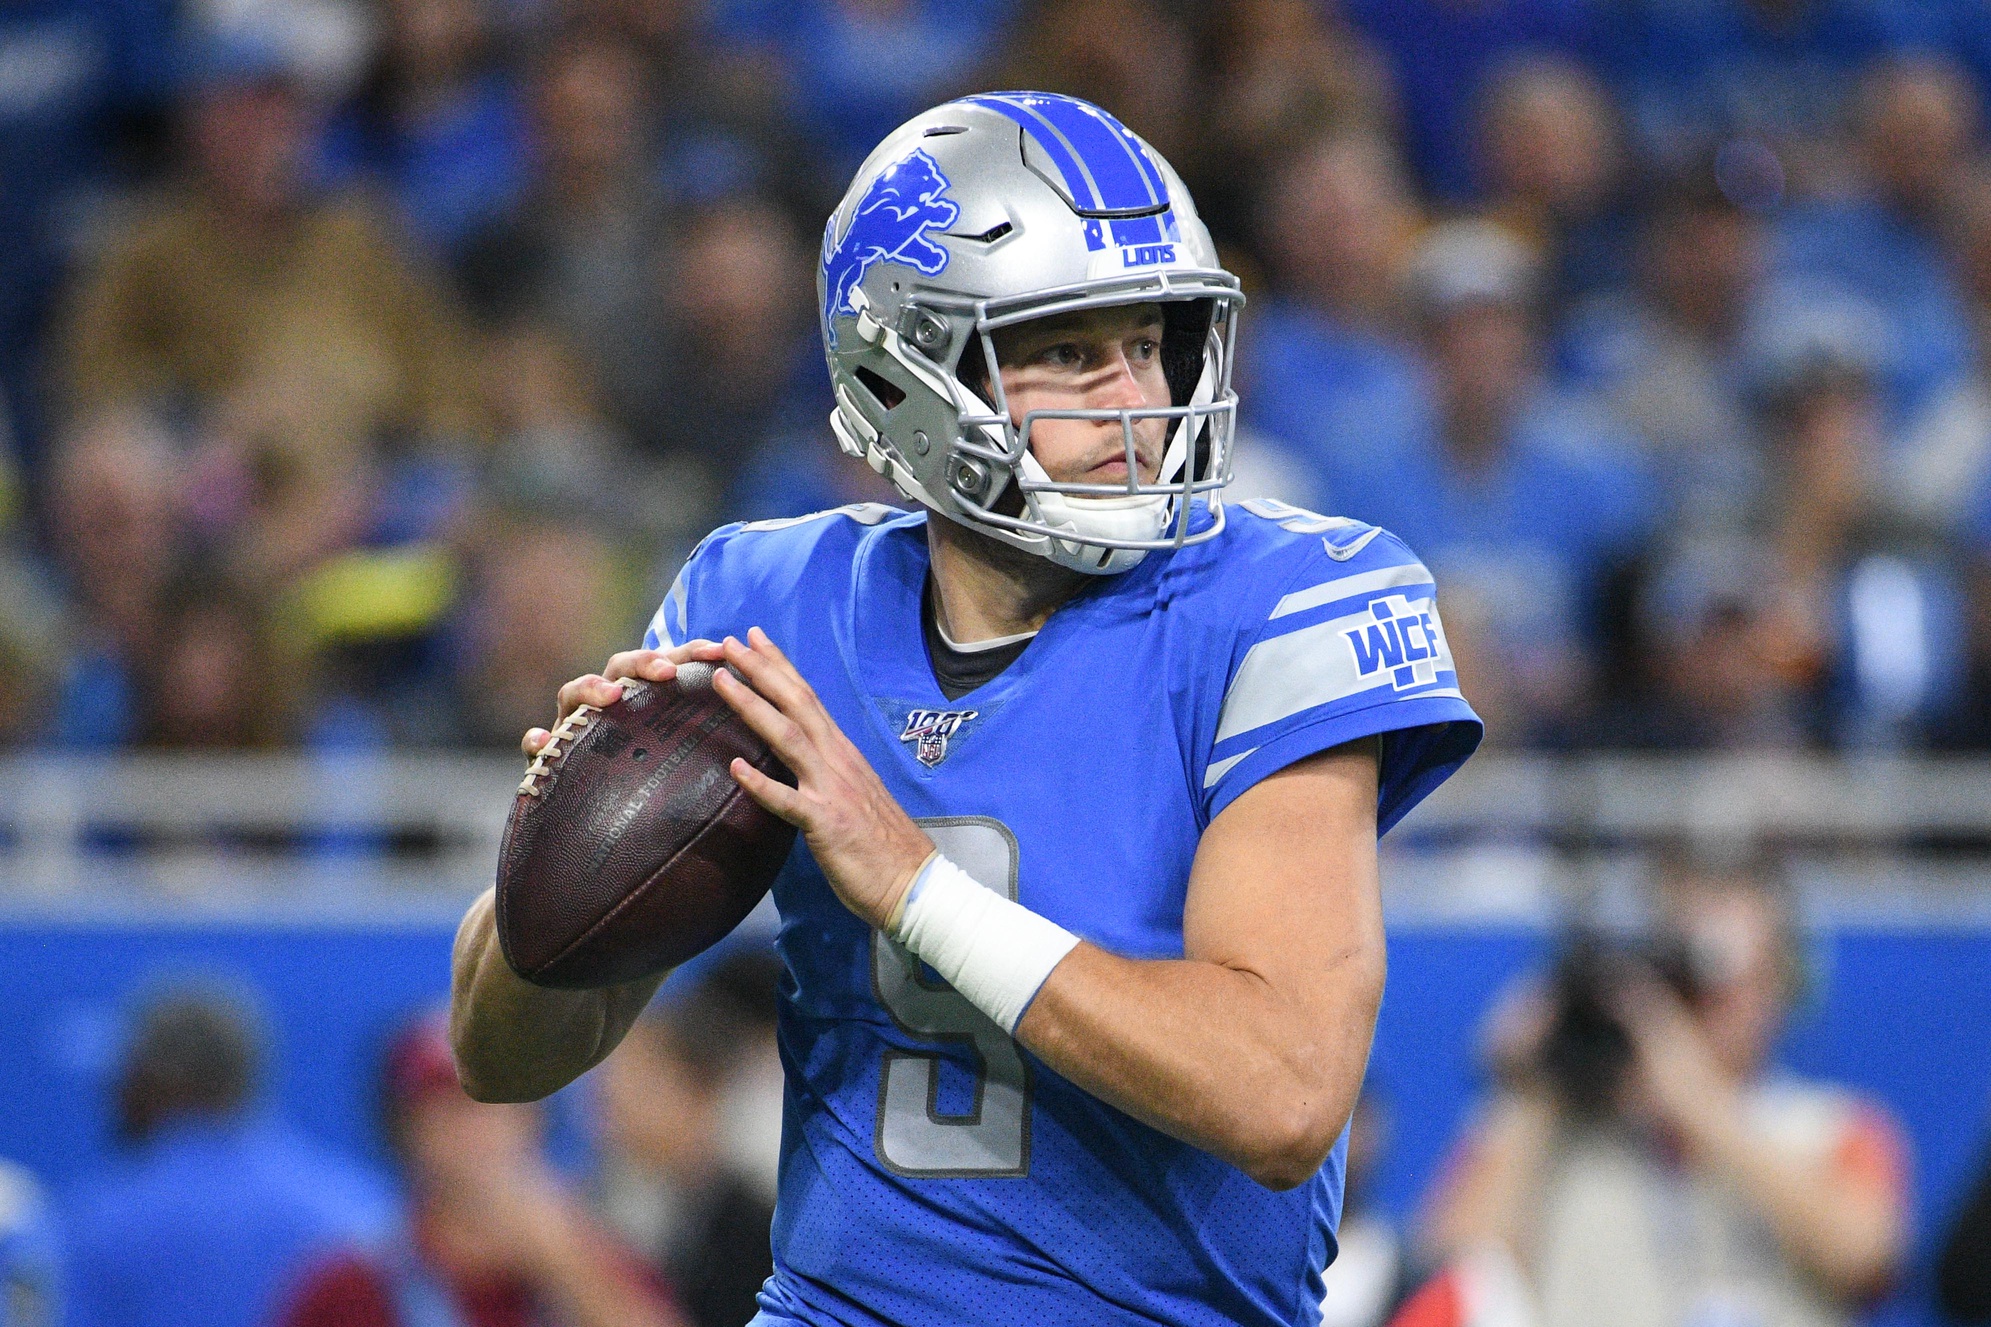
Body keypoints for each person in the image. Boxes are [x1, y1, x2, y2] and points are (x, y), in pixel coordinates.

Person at [451, 91, 1482, 1326]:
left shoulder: (1281, 601)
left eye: (1147, 343)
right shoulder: (768, 601)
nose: (1132, 403)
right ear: (904, 381)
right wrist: (565, 844)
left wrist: (910, 886)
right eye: (1064, 350)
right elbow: (499, 1058)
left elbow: (1281, 1093)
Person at [1409, 849, 1909, 1327]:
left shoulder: (1833, 1126)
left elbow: (1864, 1255)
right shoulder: (1557, 1125)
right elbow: (1452, 1269)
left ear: (1782, 982)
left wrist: (1697, 1102)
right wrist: (1544, 1077)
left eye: (1726, 971)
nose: (1700, 999)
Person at [280, 1010, 685, 1327]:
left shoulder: (603, 1264)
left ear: (536, 1120)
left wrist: (565, 1266)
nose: (474, 1134)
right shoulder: (350, 1289)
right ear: (403, 1133)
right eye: (447, 1111)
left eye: (496, 1108)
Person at [59, 986, 394, 1327]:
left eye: (129, 1074)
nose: (115, 1095)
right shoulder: (358, 1207)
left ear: (169, 1081)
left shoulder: (105, 1217)